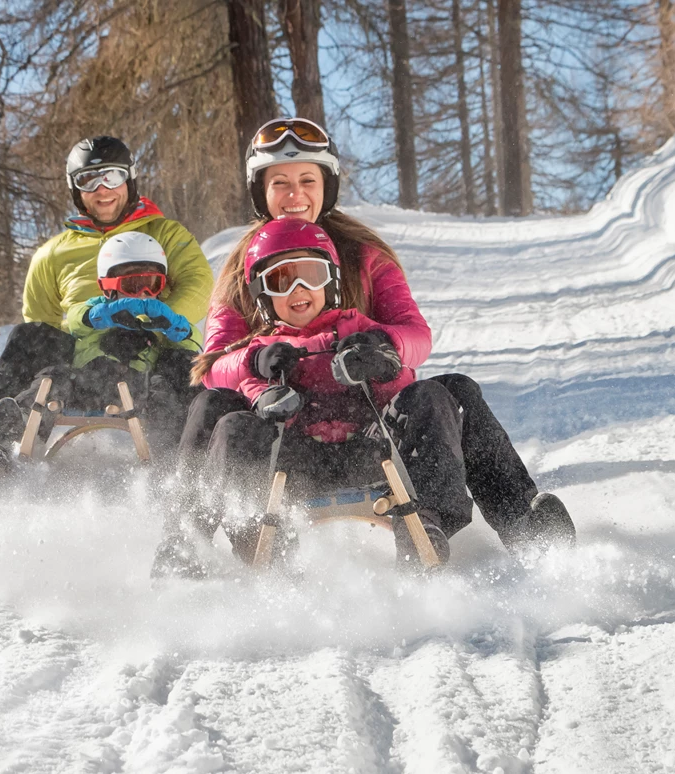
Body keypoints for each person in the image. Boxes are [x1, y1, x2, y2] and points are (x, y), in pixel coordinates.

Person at [152, 118, 572, 576]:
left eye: (307, 181)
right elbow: (211, 364)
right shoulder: (241, 273)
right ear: (261, 192)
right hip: (283, 429)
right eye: (280, 184)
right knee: (213, 404)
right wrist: (255, 360)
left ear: (326, 187)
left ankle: (518, 526)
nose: (295, 196)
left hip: (367, 420)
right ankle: (186, 542)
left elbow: (416, 335)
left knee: (454, 392)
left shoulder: (364, 256)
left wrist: (382, 346)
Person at [162, 218, 466, 573]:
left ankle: (425, 523)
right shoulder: (263, 349)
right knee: (233, 426)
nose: (298, 288)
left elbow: (402, 385)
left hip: (368, 451)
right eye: (281, 281)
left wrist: (379, 365)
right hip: (296, 459)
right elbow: (247, 388)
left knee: (431, 396)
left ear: (332, 281)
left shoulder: (360, 329)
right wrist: (269, 397)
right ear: (263, 295)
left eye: (312, 274)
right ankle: (242, 537)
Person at [0, 136, 212, 477]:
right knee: (28, 335)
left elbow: (198, 284)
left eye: (112, 177)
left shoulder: (165, 234)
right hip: (85, 357)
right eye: (89, 180)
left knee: (185, 366)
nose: (102, 189)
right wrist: (88, 334)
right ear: (75, 189)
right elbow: (43, 320)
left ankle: (186, 466)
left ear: (130, 179)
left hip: (156, 347)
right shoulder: (53, 253)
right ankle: (1, 439)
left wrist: (148, 326)